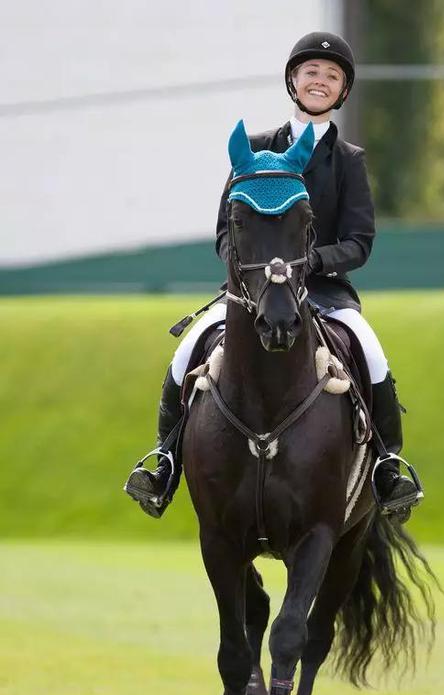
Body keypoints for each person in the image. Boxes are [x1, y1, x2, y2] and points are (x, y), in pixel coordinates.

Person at [125, 31, 422, 522]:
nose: (320, 81)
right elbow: (226, 231)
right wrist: (253, 275)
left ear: (343, 90)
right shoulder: (256, 149)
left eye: (332, 76)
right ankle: (164, 461)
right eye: (311, 73)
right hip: (253, 293)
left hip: (322, 291)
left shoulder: (348, 161)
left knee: (371, 351)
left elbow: (358, 243)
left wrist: (309, 263)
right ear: (293, 80)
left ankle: (388, 466)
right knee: (188, 349)